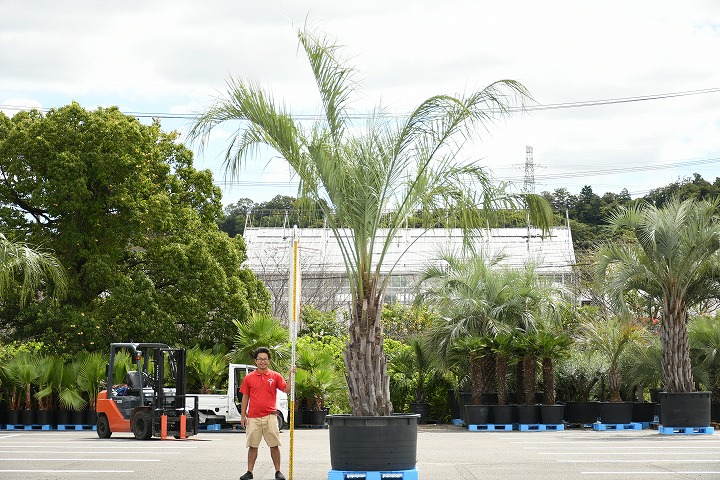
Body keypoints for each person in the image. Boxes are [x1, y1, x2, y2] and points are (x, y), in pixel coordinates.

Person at [238, 347, 291, 480]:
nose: (263, 361)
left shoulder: (275, 376)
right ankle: (249, 472)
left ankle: (278, 472)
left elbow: (287, 390)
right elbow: (245, 397)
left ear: (269, 361)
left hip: (270, 416)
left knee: (274, 445)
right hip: (253, 417)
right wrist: (243, 415)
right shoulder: (249, 378)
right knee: (252, 446)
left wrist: (291, 375)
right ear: (255, 361)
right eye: (260, 359)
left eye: (265, 359)